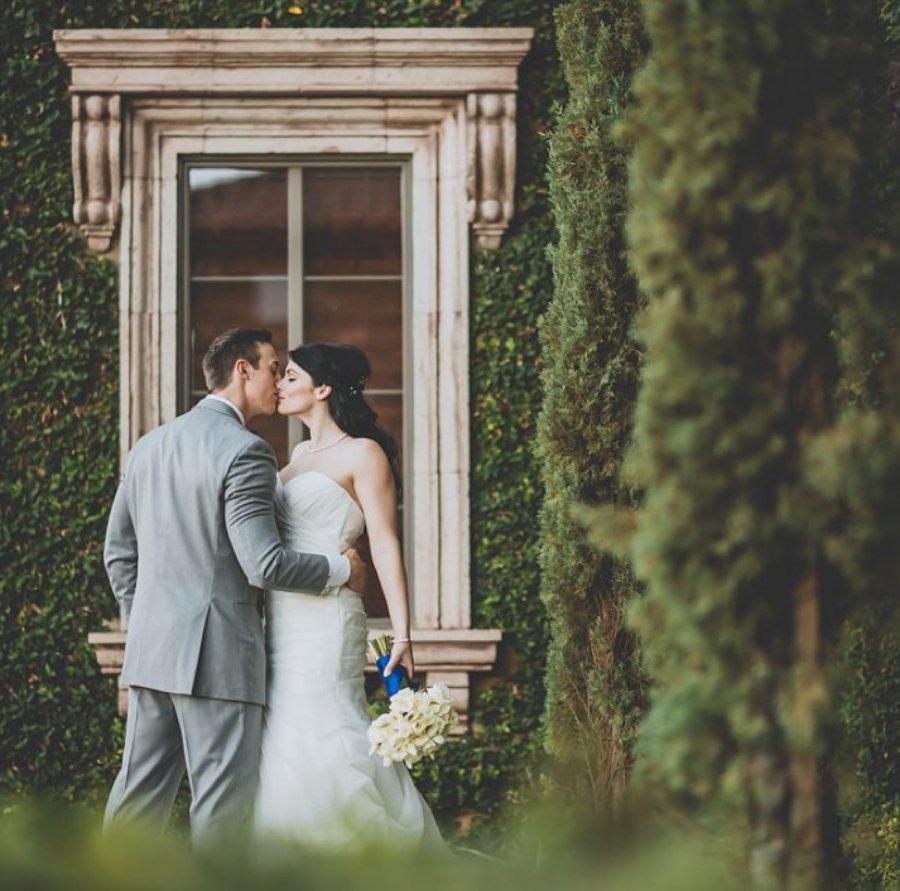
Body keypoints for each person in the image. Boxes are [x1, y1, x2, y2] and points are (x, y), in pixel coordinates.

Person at [103, 328, 367, 844]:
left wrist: (149, 622)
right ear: (242, 370)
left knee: (136, 803)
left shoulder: (149, 446)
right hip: (220, 658)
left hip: (152, 653)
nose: (278, 380)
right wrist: (342, 571)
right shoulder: (245, 451)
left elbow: (119, 553)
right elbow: (264, 565)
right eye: (272, 368)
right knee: (221, 814)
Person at [253, 341, 443, 850]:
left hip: (328, 619)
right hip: (282, 617)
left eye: (290, 377)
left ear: (324, 387)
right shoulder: (295, 455)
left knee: (324, 726)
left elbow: (383, 542)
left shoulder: (364, 452)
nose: (279, 384)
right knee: (284, 738)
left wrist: (402, 632)